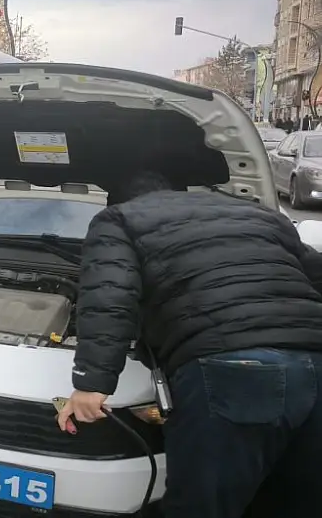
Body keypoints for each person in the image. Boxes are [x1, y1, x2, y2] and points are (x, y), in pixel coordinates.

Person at [56, 170, 322, 518]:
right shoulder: (261, 214)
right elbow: (315, 273)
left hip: (235, 371)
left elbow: (110, 296)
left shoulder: (119, 219)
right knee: (300, 500)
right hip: (315, 361)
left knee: (201, 506)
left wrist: (91, 384)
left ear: (119, 200)